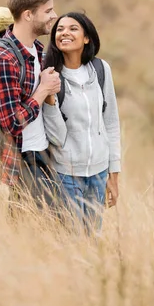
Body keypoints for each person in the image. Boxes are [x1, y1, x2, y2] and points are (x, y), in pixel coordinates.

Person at [0, 0, 61, 210]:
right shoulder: (3, 59)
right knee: (26, 228)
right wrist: (43, 89)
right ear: (27, 15)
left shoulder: (36, 49)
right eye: (48, 11)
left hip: (42, 153)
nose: (54, 15)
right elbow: (12, 123)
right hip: (20, 160)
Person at [43, 12, 121, 233]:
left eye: (72, 28)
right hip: (66, 175)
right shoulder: (51, 75)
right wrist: (49, 98)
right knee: (71, 240)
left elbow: (111, 123)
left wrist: (113, 175)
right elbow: (56, 137)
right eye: (59, 29)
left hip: (98, 173)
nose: (64, 33)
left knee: (92, 241)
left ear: (87, 38)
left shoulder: (100, 70)